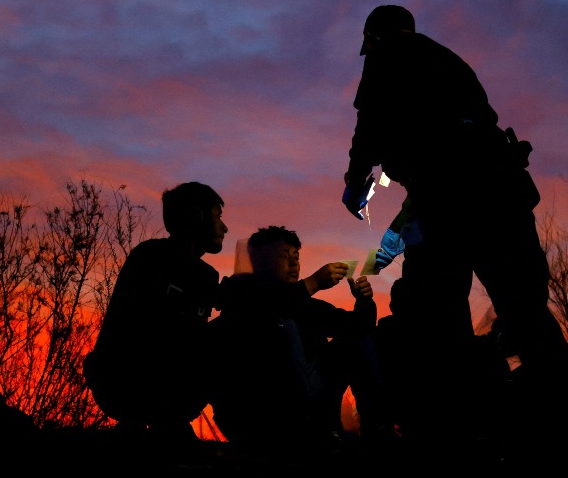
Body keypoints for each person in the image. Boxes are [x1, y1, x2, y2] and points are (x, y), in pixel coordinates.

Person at [342, 4, 568, 454]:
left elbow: (368, 128)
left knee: (434, 312)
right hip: (502, 193)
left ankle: (449, 430)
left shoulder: (386, 56)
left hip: (447, 200)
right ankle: (567, 426)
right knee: (525, 309)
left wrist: (356, 182)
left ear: (373, 37)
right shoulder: (451, 61)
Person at [208, 225, 388, 456]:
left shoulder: (307, 305)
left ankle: (376, 429)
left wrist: (364, 301)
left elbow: (358, 328)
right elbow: (267, 310)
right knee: (284, 327)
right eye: (284, 256)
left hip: (313, 399)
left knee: (357, 339)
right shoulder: (241, 296)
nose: (294, 263)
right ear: (261, 261)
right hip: (258, 410)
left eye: (297, 257)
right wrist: (313, 283)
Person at [84, 181, 227, 452]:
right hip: (123, 380)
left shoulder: (206, 276)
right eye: (218, 216)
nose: (224, 227)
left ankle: (168, 425)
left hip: (170, 382)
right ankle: (151, 424)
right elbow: (141, 331)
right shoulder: (149, 258)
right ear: (198, 216)